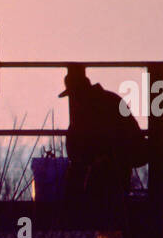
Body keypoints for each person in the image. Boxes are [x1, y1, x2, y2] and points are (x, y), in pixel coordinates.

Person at [59, 64, 147, 203]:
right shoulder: (111, 102)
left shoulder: (84, 112)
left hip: (105, 178)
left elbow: (73, 150)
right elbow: (137, 146)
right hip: (117, 177)